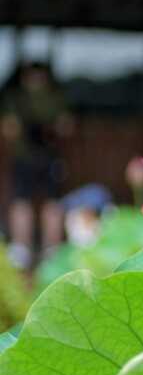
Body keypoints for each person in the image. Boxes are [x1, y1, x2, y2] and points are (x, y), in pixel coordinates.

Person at [1, 61, 73, 268]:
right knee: (22, 202)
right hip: (25, 157)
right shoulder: (16, 98)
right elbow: (8, 128)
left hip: (48, 157)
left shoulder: (53, 98)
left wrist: (48, 131)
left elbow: (65, 126)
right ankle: (22, 250)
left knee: (51, 202)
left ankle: (50, 251)